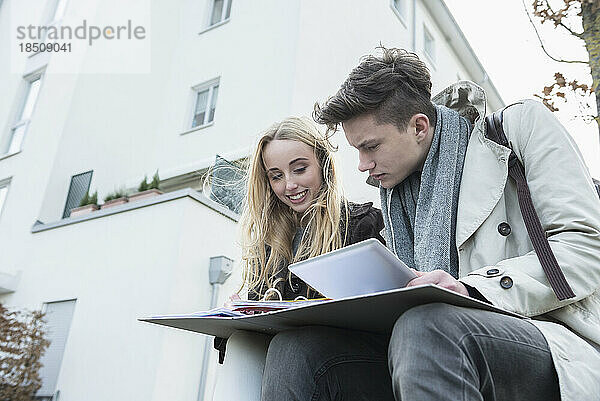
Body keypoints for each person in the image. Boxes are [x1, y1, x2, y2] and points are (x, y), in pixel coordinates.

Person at [260, 48, 600, 401]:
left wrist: (471, 289)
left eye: (371, 147)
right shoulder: (396, 197)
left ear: (419, 126)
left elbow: (585, 247)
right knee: (296, 349)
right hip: (429, 344)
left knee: (425, 327)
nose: (362, 165)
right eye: (357, 151)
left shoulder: (517, 130)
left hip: (552, 338)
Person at [213, 116, 386, 363]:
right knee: (239, 344)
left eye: (300, 169)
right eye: (276, 176)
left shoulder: (364, 224)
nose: (289, 185)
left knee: (290, 346)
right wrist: (238, 316)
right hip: (280, 364)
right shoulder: (269, 244)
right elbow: (229, 353)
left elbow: (381, 319)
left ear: (323, 165)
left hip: (347, 366)